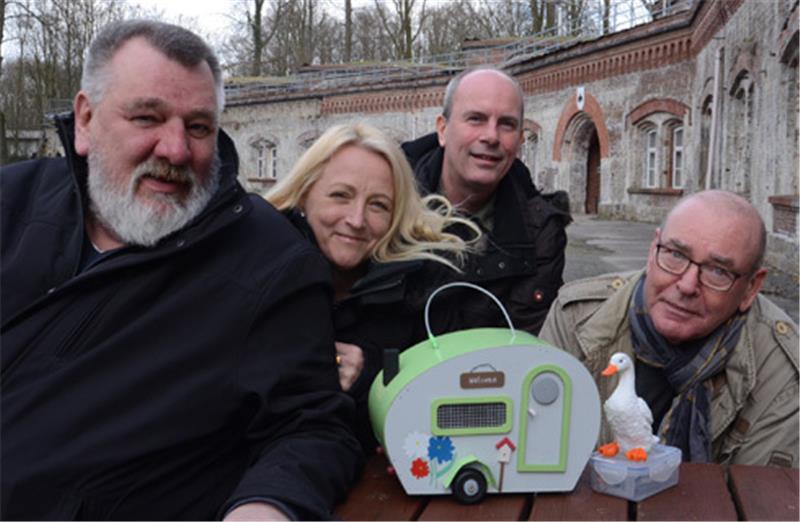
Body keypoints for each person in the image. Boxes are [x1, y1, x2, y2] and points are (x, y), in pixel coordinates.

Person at [0, 20, 362, 520]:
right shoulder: (11, 203)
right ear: (85, 119)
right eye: (148, 118)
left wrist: (269, 504)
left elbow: (313, 426)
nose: (175, 150)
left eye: (198, 127)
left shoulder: (268, 263)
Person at [540, 190, 799, 467]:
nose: (687, 285)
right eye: (676, 254)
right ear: (653, 251)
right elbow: (538, 449)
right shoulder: (575, 317)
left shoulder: (782, 369)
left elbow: (762, 499)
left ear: (751, 288)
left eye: (718, 271)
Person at [266, 122, 479, 451]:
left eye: (378, 205)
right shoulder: (258, 270)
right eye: (341, 195)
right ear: (305, 195)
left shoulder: (428, 291)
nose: (356, 219)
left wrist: (371, 381)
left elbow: (451, 412)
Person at [402, 66, 571, 336]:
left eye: (506, 124)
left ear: (518, 140)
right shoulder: (387, 206)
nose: (491, 136)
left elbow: (526, 342)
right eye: (476, 119)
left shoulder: (541, 231)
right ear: (442, 130)